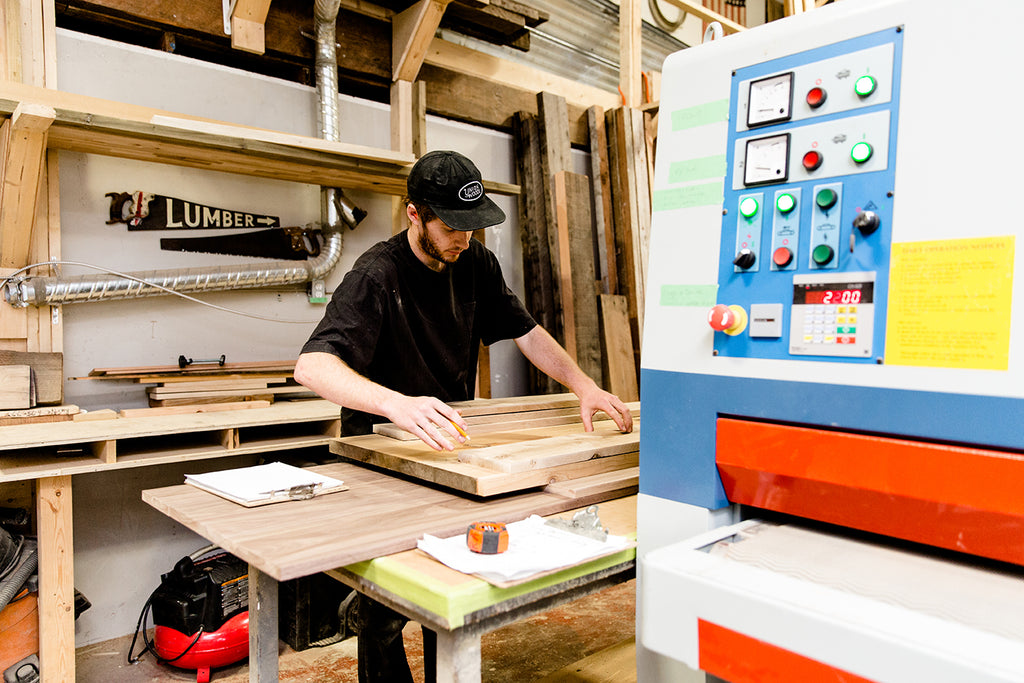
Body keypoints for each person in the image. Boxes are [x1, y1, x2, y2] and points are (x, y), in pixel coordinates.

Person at [293, 149, 633, 682]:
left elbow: (525, 331)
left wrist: (583, 384)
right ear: (414, 214)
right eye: (452, 227)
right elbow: (311, 366)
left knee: (446, 593)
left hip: (451, 446)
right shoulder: (376, 275)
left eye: (472, 228)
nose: (463, 239)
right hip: (384, 450)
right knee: (386, 606)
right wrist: (397, 404)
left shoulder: (474, 262)